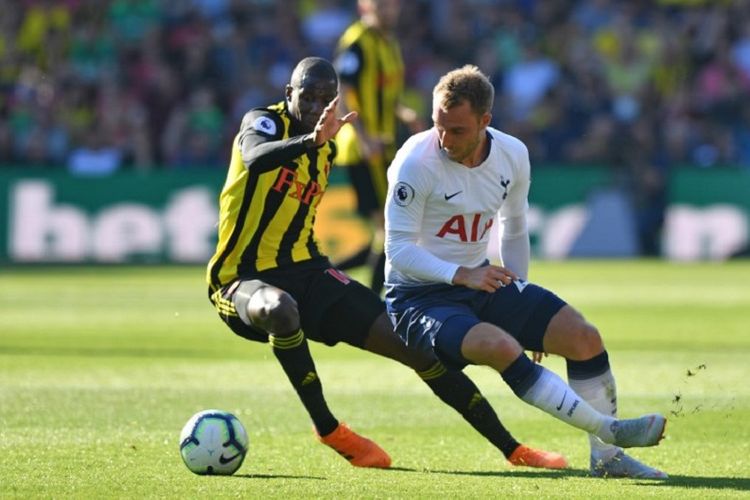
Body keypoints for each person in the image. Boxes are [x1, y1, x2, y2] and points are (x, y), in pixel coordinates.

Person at [206, 56, 568, 470]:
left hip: (308, 269)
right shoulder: (266, 123)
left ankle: (514, 450)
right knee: (279, 309)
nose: (315, 107)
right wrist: (310, 140)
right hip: (240, 278)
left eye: (326, 99)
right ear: (289, 94)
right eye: (307, 97)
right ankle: (328, 428)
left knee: (416, 347)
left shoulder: (330, 143)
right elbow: (253, 156)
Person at [383, 65, 668, 479]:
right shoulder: (415, 163)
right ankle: (610, 431)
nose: (444, 140)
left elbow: (513, 226)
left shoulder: (512, 154)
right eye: (438, 126)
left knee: (583, 337)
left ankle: (608, 460)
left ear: (485, 121)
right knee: (499, 345)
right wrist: (462, 274)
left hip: (479, 278)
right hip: (417, 296)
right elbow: (398, 251)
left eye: (457, 130)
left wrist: (520, 296)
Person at [333, 0, 422, 294]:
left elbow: (387, 95)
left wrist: (404, 114)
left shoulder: (390, 44)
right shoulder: (357, 43)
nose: (388, 11)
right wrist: (362, 136)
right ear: (365, 7)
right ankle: (372, 299)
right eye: (381, 5)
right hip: (362, 149)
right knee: (390, 228)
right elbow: (344, 92)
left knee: (388, 230)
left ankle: (326, 273)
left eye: (392, 5)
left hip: (385, 146)